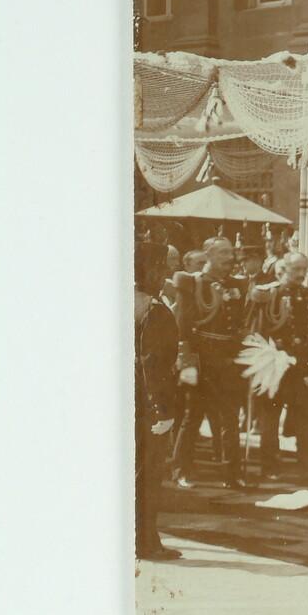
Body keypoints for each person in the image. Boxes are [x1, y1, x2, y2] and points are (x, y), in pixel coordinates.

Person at [171, 236, 253, 489]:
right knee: (193, 417)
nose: (230, 257)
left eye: (230, 252)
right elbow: (183, 325)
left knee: (230, 419)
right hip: (202, 359)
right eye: (223, 253)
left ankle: (232, 475)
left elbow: (239, 323)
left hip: (228, 360)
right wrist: (187, 363)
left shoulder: (237, 284)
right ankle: (182, 470)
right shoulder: (192, 283)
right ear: (207, 255)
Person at [249, 251, 308, 480]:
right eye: (296, 269)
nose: (301, 274)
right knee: (270, 417)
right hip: (274, 364)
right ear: (283, 270)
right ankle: (270, 467)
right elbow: (256, 331)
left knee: (306, 416)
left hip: (303, 366)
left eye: (304, 269)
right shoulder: (268, 295)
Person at [136, 241, 182, 562]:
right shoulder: (154, 310)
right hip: (147, 408)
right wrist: (161, 410)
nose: (165, 274)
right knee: (149, 476)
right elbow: (153, 365)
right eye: (162, 268)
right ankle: (146, 541)